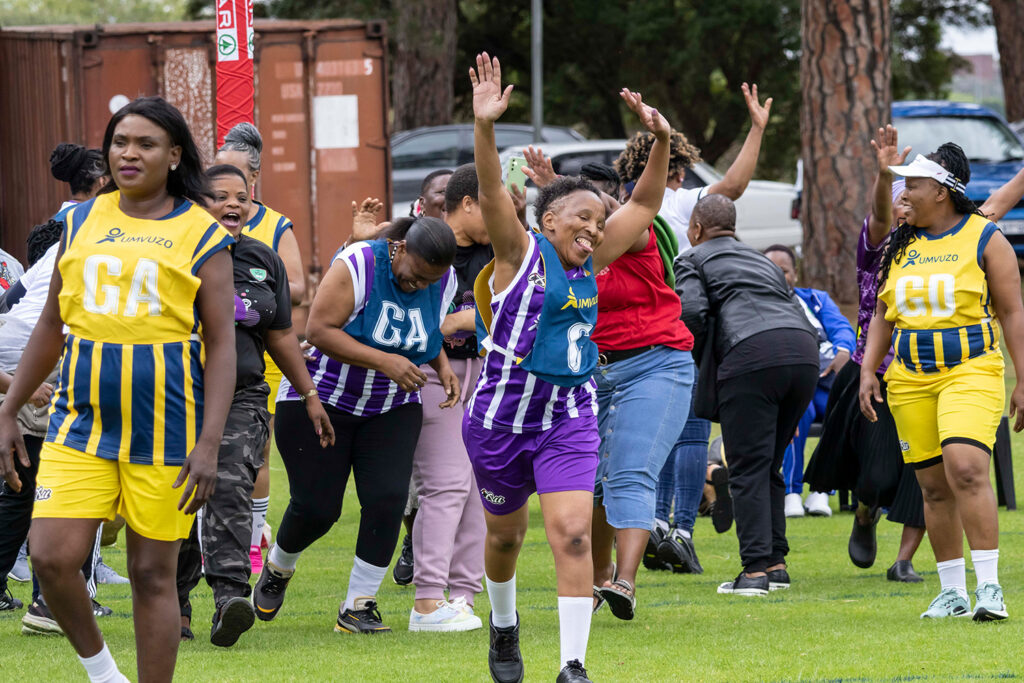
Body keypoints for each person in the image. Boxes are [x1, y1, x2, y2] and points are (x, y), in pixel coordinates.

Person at [0, 96, 236, 682]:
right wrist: (8, 408)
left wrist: (210, 445)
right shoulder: (79, 221)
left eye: (146, 144)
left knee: (153, 575)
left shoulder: (201, 232)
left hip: (167, 433)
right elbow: (52, 324)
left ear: (174, 154)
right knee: (52, 558)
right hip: (79, 424)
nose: (129, 153)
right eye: (120, 142)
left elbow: (223, 344)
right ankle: (106, 675)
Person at [467, 52, 671, 683]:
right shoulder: (517, 253)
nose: (594, 226)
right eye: (582, 216)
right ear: (548, 218)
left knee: (574, 535)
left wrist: (659, 139)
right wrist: (484, 126)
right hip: (500, 420)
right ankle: (504, 629)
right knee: (504, 541)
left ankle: (573, 666)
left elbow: (646, 201)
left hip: (567, 416)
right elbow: (493, 188)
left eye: (599, 220)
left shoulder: (593, 256)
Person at [253, 215, 459, 635]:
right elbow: (318, 330)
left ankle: (358, 606)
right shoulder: (359, 263)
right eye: (414, 275)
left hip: (391, 404)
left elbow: (427, 330)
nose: (419, 285)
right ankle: (279, 565)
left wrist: (441, 364)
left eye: (429, 280)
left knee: (387, 498)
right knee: (317, 508)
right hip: (322, 397)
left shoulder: (443, 279)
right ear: (400, 249)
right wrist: (385, 360)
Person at [520, 155, 696, 621]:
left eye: (601, 209)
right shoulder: (562, 256)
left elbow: (636, 208)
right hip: (589, 376)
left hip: (655, 363)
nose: (595, 224)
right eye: (583, 212)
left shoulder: (633, 234)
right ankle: (601, 577)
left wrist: (563, 187)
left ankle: (627, 582)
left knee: (630, 473)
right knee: (589, 482)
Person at [614, 83, 773, 575]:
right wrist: (756, 131)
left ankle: (658, 524)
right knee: (687, 431)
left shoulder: (619, 207)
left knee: (645, 431)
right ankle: (679, 528)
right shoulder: (679, 202)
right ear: (677, 171)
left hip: (625, 322)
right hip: (681, 313)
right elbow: (734, 188)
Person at [861, 142, 1024, 620]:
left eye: (912, 184)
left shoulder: (983, 237)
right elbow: (883, 316)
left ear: (942, 192)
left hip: (970, 369)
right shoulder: (902, 240)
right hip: (909, 378)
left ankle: (989, 589)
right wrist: (869, 369)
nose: (903, 193)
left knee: (967, 468)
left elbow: (1013, 313)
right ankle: (952, 592)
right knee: (932, 487)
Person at [175, 165, 334, 647]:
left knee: (230, 486)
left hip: (243, 394)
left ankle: (229, 599)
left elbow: (281, 334)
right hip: (175, 392)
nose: (232, 205)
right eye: (218, 196)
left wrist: (308, 394)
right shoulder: (175, 255)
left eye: (241, 198)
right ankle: (175, 602)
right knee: (175, 492)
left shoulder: (261, 257)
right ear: (196, 203)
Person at [0, 144, 122, 632]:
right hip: (43, 361)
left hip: (24, 356)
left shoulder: (66, 230)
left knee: (25, 485)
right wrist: (21, 385)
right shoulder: (96, 232)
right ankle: (58, 600)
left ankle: (52, 597)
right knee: (80, 473)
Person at [676, 194, 818, 597]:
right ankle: (775, 563)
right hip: (802, 353)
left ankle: (754, 571)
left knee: (746, 467)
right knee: (767, 464)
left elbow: (691, 314)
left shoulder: (692, 258)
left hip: (751, 354)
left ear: (697, 229)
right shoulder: (761, 259)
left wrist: (703, 357)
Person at [399, 163, 490, 632]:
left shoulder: (499, 250)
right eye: (491, 206)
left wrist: (460, 321)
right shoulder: (425, 247)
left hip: (487, 374)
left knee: (478, 489)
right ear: (468, 203)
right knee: (447, 483)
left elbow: (514, 307)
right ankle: (428, 601)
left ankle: (464, 597)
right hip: (433, 375)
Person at [215, 122, 306, 575]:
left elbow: (300, 286)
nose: (228, 194)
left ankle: (252, 539)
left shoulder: (273, 225)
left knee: (255, 451)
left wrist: (249, 297)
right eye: (217, 179)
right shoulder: (192, 225)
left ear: (252, 181)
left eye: (236, 180)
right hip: (200, 365)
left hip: (259, 356)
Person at [394, 167, 456, 587]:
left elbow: (433, 328)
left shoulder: (466, 252)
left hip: (441, 369)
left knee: (445, 479)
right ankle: (413, 542)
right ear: (422, 204)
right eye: (441, 195)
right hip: (390, 376)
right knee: (412, 479)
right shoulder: (396, 244)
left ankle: (425, 555)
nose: (449, 202)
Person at [763, 244, 855, 518]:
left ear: (795, 274)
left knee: (842, 413)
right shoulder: (757, 305)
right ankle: (791, 493)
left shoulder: (816, 299)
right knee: (796, 414)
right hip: (792, 387)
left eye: (785, 271)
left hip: (827, 383)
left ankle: (821, 491)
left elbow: (842, 329)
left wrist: (843, 350)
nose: (779, 276)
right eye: (771, 270)